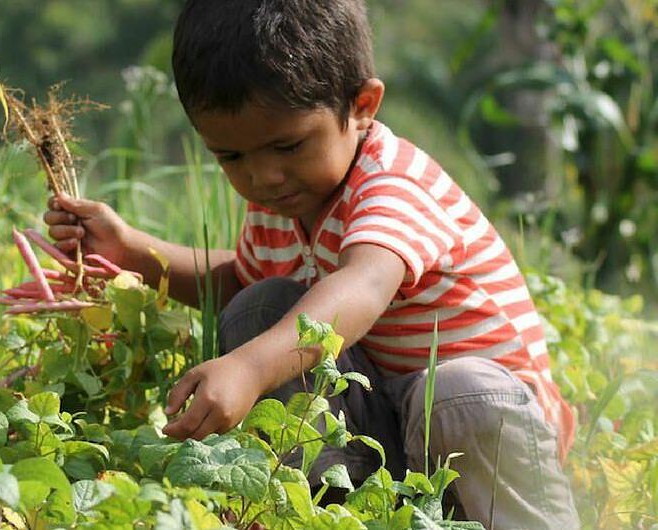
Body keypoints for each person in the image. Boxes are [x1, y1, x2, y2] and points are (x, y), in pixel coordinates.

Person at [44, 0, 579, 527]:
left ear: (362, 105)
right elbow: (239, 282)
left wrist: (251, 368)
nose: (262, 177)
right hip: (387, 422)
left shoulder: (393, 182)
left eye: (288, 146)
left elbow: (361, 286)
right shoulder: (284, 200)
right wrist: (135, 253)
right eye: (232, 157)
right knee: (262, 309)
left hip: (485, 428)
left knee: (457, 396)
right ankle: (331, 515)